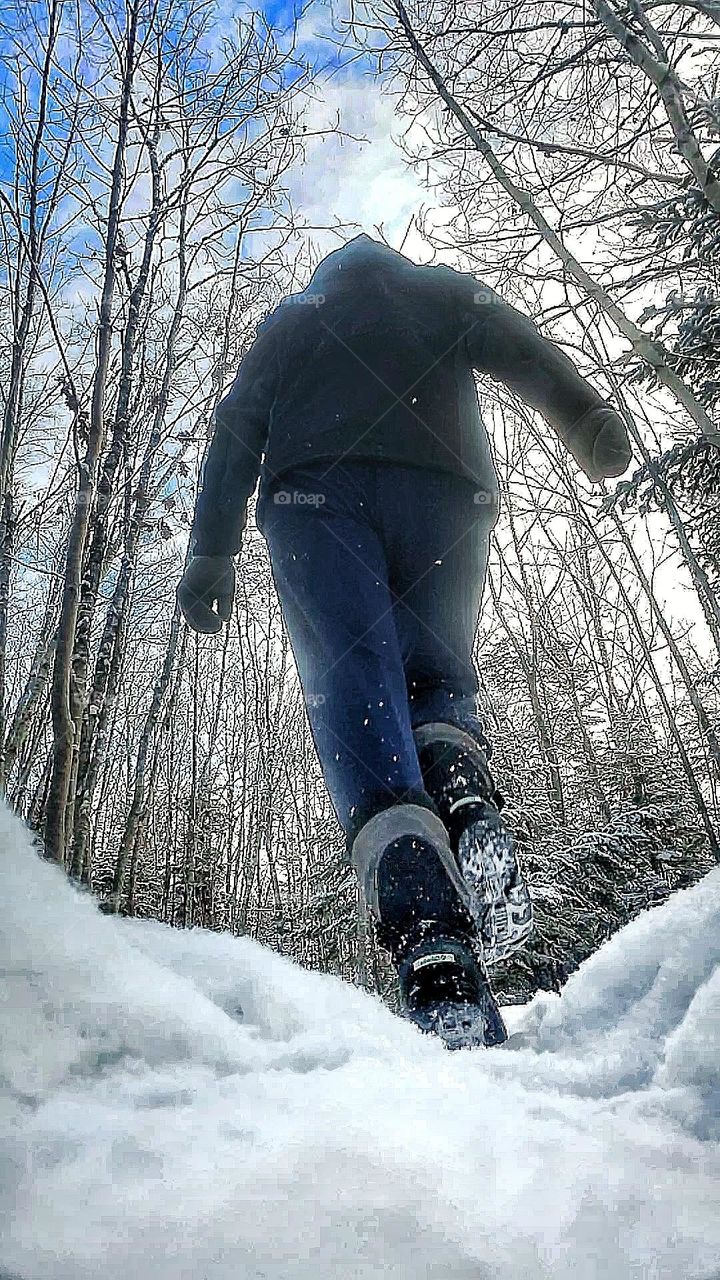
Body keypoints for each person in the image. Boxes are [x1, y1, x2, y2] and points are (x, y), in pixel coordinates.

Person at [177, 234, 632, 1049]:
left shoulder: (295, 315)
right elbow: (516, 338)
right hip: (445, 488)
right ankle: (459, 782)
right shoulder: (439, 290)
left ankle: (435, 948)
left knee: (359, 697)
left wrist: (212, 553)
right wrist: (583, 416)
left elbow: (238, 421)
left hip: (318, 493)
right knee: (436, 680)